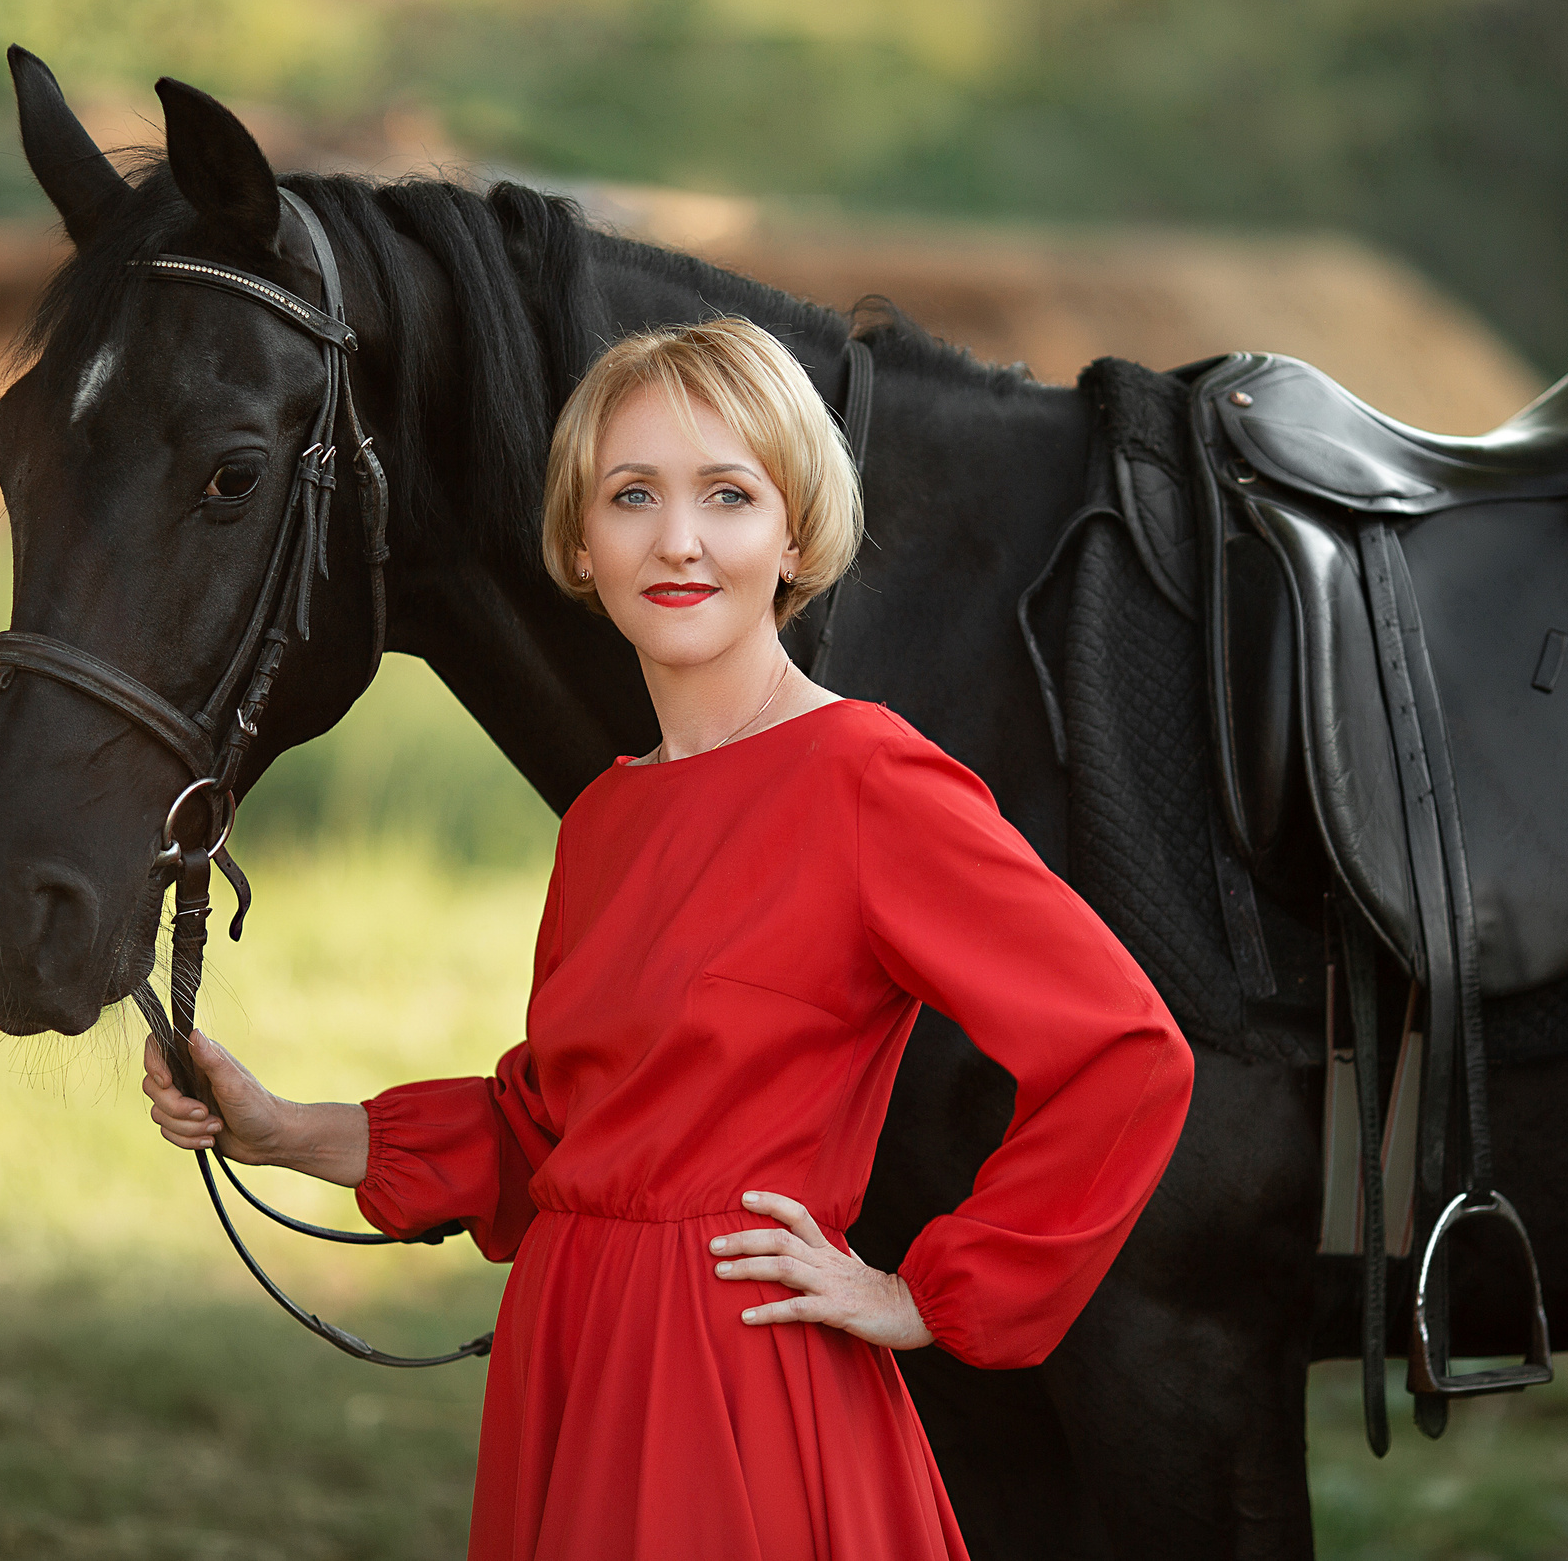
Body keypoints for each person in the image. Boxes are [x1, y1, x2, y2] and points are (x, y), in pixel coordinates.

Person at [142, 317, 1194, 1560]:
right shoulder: (604, 816)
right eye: (631, 494)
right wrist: (282, 1129)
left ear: (794, 534)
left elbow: (1125, 1053)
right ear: (581, 546)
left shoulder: (868, 780)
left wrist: (929, 1294)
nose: (677, 540)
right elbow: (555, 1133)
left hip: (733, 1378)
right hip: (572, 1360)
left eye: (729, 495)